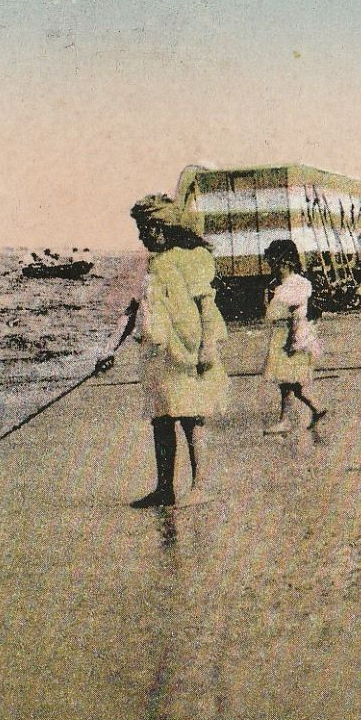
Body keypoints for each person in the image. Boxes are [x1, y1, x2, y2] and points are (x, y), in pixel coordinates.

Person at [106, 195, 228, 509]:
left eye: (144, 228)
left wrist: (208, 347)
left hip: (186, 352)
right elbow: (133, 309)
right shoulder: (151, 264)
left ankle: (200, 486)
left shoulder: (191, 258)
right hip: (157, 354)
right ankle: (165, 488)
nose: (140, 236)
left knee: (190, 418)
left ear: (161, 227)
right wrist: (109, 349)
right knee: (161, 419)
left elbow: (206, 307)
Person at [261, 239, 328, 437]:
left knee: (288, 384)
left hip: (290, 340)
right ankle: (316, 409)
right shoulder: (284, 285)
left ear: (285, 264)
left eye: (275, 265)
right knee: (292, 385)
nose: (273, 269)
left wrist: (293, 341)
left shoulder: (295, 286)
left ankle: (286, 420)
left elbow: (297, 316)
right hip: (285, 337)